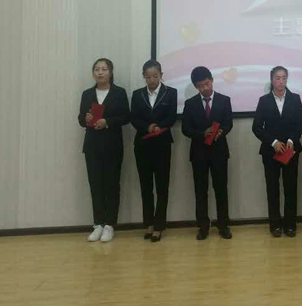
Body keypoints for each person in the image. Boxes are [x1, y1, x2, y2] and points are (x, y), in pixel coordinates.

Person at [77, 58, 130, 243]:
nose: (100, 72)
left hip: (112, 146)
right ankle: (98, 224)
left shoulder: (119, 92)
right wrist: (86, 119)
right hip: (92, 146)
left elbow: (126, 116)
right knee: (96, 185)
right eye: (97, 69)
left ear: (110, 72)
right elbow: (80, 118)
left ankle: (109, 225)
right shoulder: (87, 94)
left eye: (104, 69)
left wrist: (107, 122)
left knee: (112, 185)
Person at [252, 66, 302, 237]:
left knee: (291, 189)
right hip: (271, 152)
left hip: (290, 150)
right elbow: (256, 127)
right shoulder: (264, 100)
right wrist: (273, 142)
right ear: (272, 80)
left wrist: (291, 140)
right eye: (277, 78)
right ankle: (275, 225)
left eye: (284, 78)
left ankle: (290, 225)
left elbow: (301, 124)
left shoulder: (295, 99)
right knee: (272, 189)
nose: (281, 81)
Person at [182, 66, 234, 240]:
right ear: (196, 86)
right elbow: (185, 129)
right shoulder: (190, 104)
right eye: (200, 86)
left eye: (207, 83)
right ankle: (203, 226)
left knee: (221, 189)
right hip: (199, 153)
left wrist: (222, 132)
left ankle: (223, 225)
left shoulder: (224, 100)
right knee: (200, 190)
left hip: (219, 152)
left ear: (212, 80)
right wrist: (202, 134)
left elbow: (228, 123)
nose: (205, 88)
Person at [130, 60, 177, 242]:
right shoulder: (137, 94)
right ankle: (148, 224)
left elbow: (171, 117)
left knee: (162, 186)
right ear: (144, 76)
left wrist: (158, 126)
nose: (152, 80)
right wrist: (147, 127)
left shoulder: (170, 93)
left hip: (162, 144)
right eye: (148, 77)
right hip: (142, 145)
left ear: (161, 75)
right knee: (146, 186)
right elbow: (134, 118)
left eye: (155, 76)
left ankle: (159, 226)